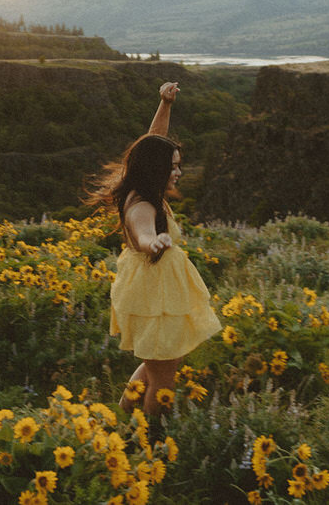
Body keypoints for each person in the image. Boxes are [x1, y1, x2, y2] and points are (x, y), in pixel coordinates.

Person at [89, 81, 221, 415]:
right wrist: (154, 243)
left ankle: (124, 417)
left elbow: (153, 142)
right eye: (173, 166)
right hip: (154, 297)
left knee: (158, 363)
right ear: (156, 169)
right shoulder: (142, 206)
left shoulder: (142, 182)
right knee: (163, 378)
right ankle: (150, 439)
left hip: (154, 292)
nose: (178, 172)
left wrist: (165, 104)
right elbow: (143, 232)